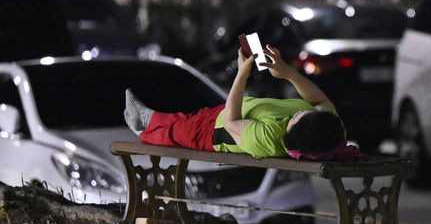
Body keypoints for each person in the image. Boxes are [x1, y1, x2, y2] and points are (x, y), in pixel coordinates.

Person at [124, 44, 356, 160]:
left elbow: (230, 121)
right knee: (182, 118)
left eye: (297, 119)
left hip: (214, 131)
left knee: (175, 131)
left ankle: (142, 124)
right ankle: (148, 116)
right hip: (229, 110)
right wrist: (287, 72)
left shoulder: (267, 139)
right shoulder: (329, 127)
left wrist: (242, 74)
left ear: (294, 136)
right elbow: (320, 100)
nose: (296, 113)